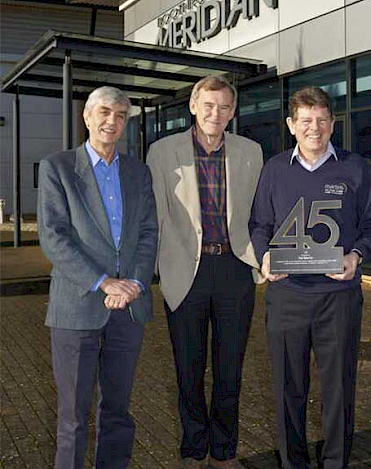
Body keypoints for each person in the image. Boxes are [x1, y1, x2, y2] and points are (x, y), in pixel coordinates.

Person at [249, 86, 371, 469]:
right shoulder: (275, 169)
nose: (315, 128)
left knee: (339, 390)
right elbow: (260, 224)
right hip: (287, 296)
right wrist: (264, 258)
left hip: (338, 298)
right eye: (306, 121)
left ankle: (335, 464)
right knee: (286, 391)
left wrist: (355, 255)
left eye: (323, 120)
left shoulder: (354, 168)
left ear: (332, 124)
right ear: (291, 125)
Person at [38, 86, 158, 469]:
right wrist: (104, 282)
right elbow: (54, 238)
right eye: (104, 112)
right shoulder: (57, 167)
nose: (112, 121)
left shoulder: (138, 172)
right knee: (73, 417)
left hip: (128, 309)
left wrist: (136, 283)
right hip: (78, 307)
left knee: (118, 411)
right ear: (87, 117)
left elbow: (148, 233)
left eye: (121, 115)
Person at [147, 75, 263, 469]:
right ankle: (194, 448)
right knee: (188, 370)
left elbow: (260, 215)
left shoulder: (251, 151)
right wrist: (158, 268)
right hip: (186, 273)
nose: (217, 113)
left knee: (230, 371)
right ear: (194, 106)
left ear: (233, 111)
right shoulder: (163, 152)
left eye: (225, 106)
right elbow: (156, 216)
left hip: (234, 269)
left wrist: (263, 261)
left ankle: (224, 451)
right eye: (209, 105)